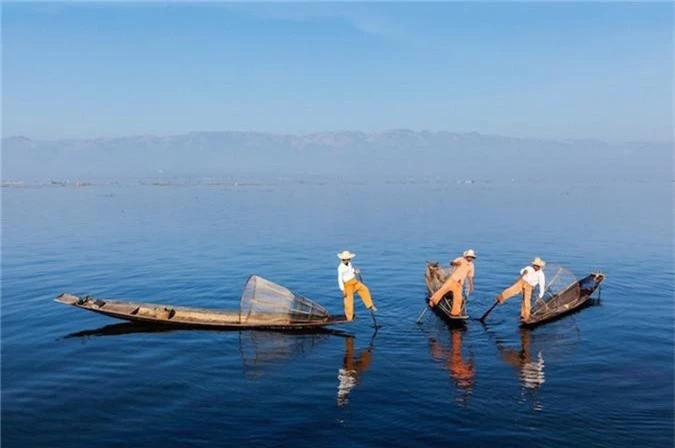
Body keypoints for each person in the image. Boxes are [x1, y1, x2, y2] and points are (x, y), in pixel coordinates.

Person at [428, 249, 476, 316]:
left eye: (471, 257)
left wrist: (471, 286)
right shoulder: (461, 259)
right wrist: (456, 263)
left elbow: (470, 276)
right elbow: (451, 263)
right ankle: (432, 301)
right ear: (466, 256)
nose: (470, 258)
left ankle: (455, 313)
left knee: (458, 298)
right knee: (442, 290)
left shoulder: (471, 266)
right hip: (452, 280)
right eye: (469, 256)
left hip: (459, 284)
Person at [496, 257, 546, 322]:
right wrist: (524, 271)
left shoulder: (541, 274)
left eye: (538, 266)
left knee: (526, 301)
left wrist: (540, 295)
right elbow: (521, 271)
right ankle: (501, 297)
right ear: (533, 265)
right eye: (535, 266)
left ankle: (525, 316)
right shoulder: (529, 268)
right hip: (522, 281)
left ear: (539, 267)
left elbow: (542, 285)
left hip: (529, 286)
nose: (536, 267)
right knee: (512, 290)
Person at [337, 250, 377, 321]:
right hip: (347, 285)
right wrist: (343, 290)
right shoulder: (340, 268)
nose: (349, 260)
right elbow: (340, 279)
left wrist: (355, 271)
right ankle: (349, 317)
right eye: (348, 259)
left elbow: (351, 270)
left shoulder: (349, 263)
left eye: (349, 258)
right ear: (344, 259)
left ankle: (370, 305)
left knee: (364, 289)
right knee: (349, 301)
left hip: (354, 281)